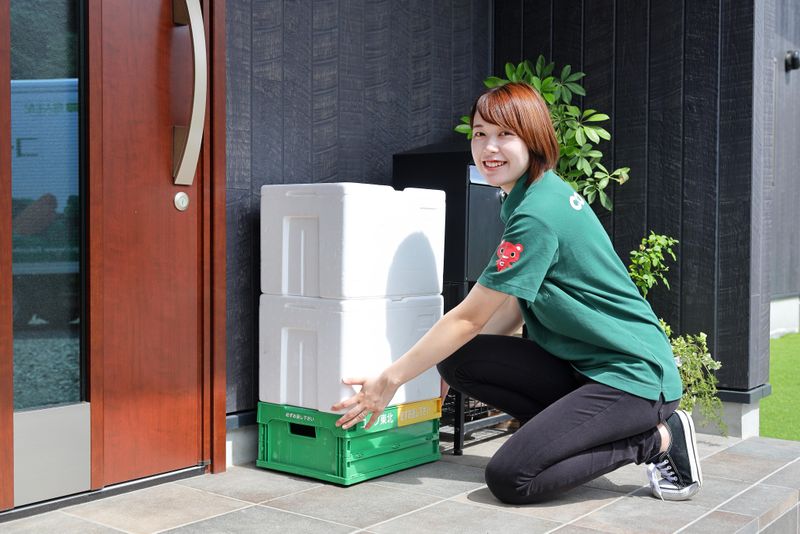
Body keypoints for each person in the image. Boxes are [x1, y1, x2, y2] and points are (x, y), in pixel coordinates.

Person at [332, 82, 702, 504]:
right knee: (459, 360)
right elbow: (514, 302)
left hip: (631, 377)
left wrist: (390, 379)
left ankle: (656, 439)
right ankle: (569, 434)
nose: (489, 147)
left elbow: (468, 318)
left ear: (533, 138)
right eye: (480, 134)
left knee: (512, 477)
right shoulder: (530, 194)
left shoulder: (537, 213)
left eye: (504, 134)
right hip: (582, 365)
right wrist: (447, 365)